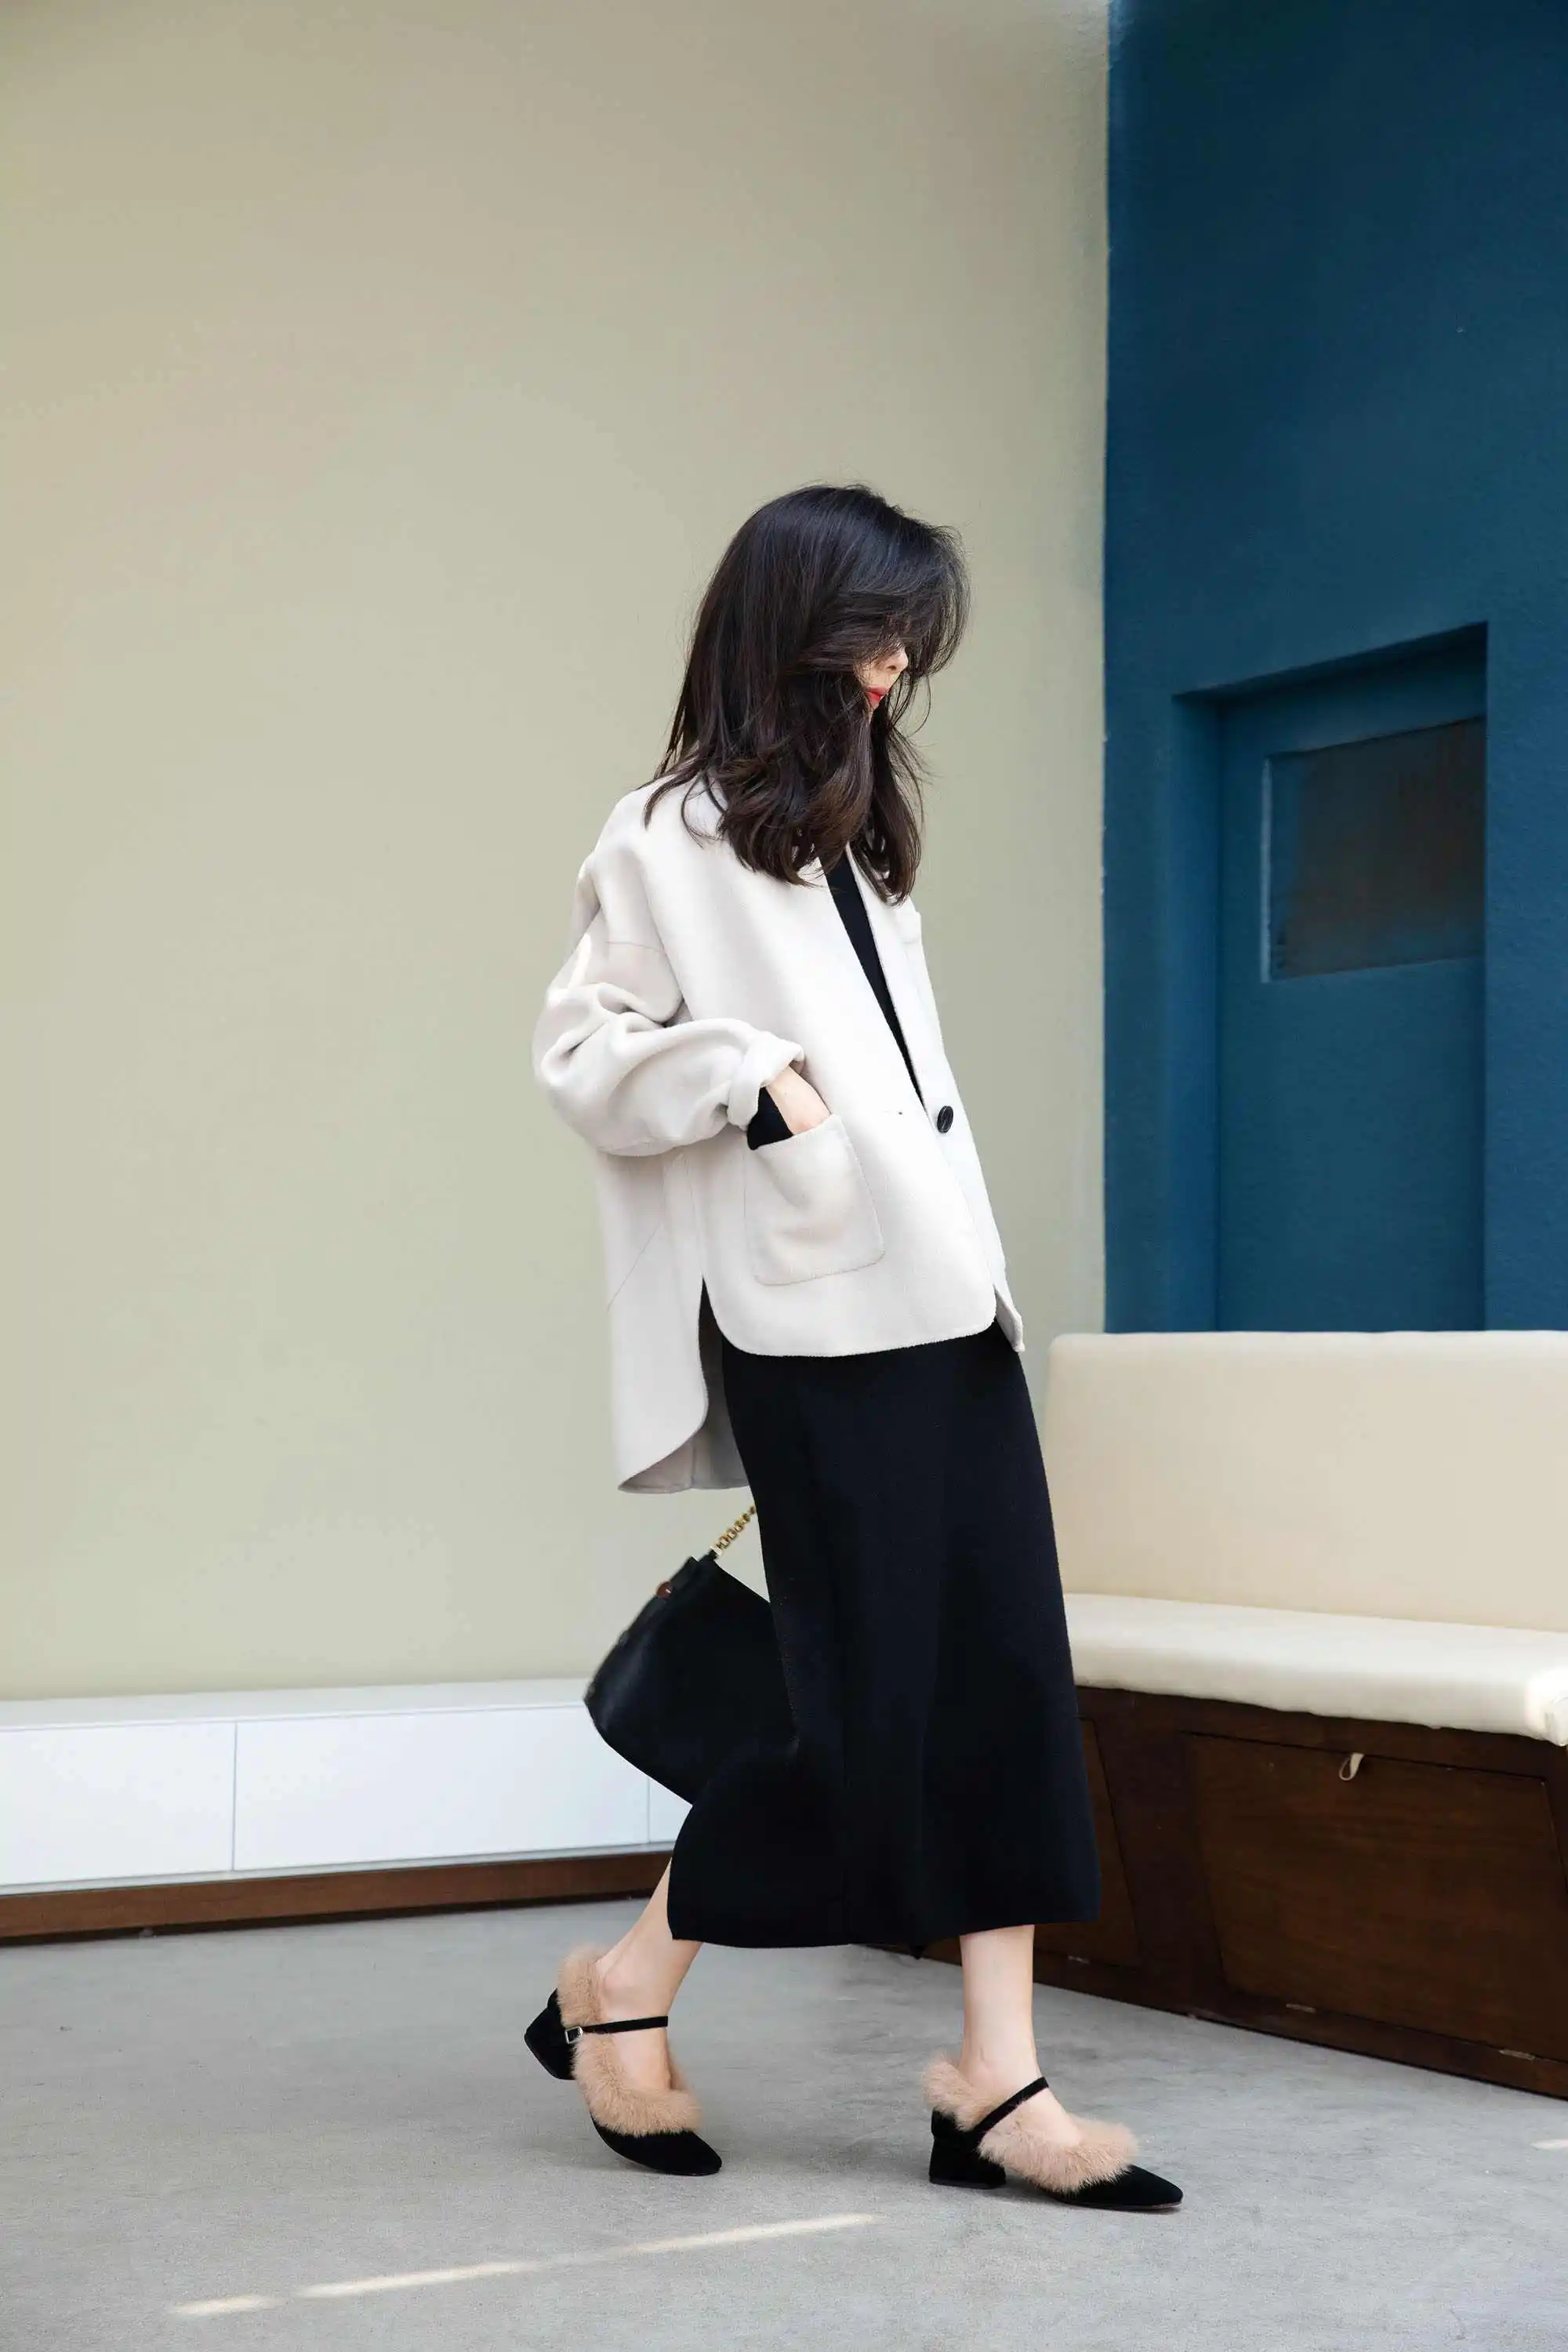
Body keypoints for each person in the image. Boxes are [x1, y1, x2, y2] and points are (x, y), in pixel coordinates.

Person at [529, 485, 1180, 2211]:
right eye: (874, 638)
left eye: (907, 646)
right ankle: (622, 1988)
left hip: (953, 1310)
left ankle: (998, 2079)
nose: (894, 672)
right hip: (813, 1325)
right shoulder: (665, 834)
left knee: (1006, 1682)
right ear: (792, 633)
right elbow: (582, 1050)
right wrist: (758, 1087)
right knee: (858, 1714)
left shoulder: (857, 836)